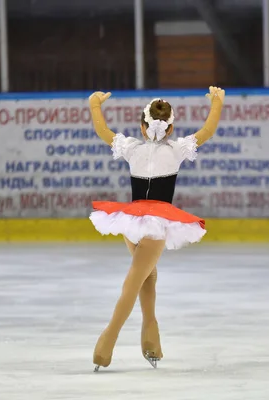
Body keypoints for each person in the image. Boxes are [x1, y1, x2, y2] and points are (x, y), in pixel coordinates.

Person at [87, 86, 225, 371]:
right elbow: (207, 131)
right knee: (135, 281)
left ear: (141, 125)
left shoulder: (132, 148)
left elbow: (103, 132)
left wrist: (94, 106)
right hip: (156, 225)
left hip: (131, 222)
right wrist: (217, 104)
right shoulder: (176, 150)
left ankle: (151, 339)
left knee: (147, 276)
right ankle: (106, 342)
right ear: (171, 128)